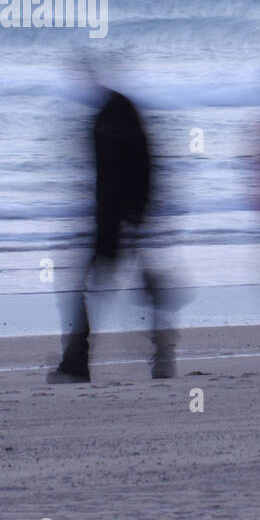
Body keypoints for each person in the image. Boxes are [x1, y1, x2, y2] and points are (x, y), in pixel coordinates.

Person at [49, 76, 175, 383]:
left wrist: (118, 217)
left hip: (115, 221)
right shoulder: (120, 114)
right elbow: (146, 165)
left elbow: (116, 176)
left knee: (83, 285)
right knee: (142, 288)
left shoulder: (111, 118)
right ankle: (161, 357)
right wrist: (142, 212)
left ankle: (78, 362)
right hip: (127, 218)